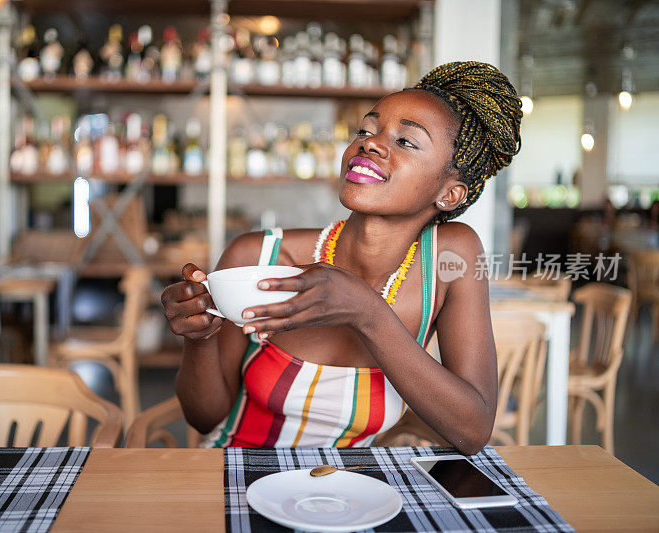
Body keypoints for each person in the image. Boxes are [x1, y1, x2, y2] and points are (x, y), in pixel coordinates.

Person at [161, 61, 523, 454]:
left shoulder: (450, 256)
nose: (370, 143)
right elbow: (205, 418)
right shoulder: (259, 255)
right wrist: (199, 339)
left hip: (349, 496)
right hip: (236, 475)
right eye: (366, 130)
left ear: (449, 194)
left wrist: (366, 312)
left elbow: (472, 431)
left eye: (405, 142)